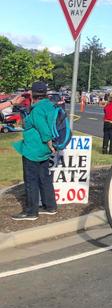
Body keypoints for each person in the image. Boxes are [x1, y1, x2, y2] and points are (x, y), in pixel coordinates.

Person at [11, 82, 57, 220]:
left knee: (31, 180)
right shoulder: (49, 105)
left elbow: (43, 128)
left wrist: (49, 143)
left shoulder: (37, 109)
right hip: (43, 151)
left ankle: (31, 212)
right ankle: (50, 206)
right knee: (44, 178)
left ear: (33, 93)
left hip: (33, 149)